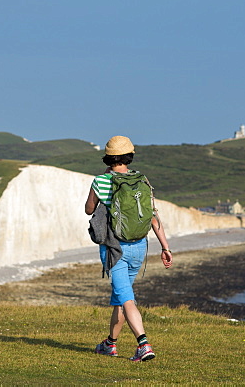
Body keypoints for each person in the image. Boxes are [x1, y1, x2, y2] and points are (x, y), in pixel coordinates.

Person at [84, 135, 173, 362]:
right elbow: (153, 217)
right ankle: (109, 344)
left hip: (115, 249)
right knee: (120, 298)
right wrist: (165, 247)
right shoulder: (142, 181)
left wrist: (101, 190)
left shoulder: (101, 181)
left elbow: (88, 209)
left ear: (108, 157)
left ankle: (143, 344)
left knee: (127, 299)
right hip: (139, 247)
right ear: (129, 156)